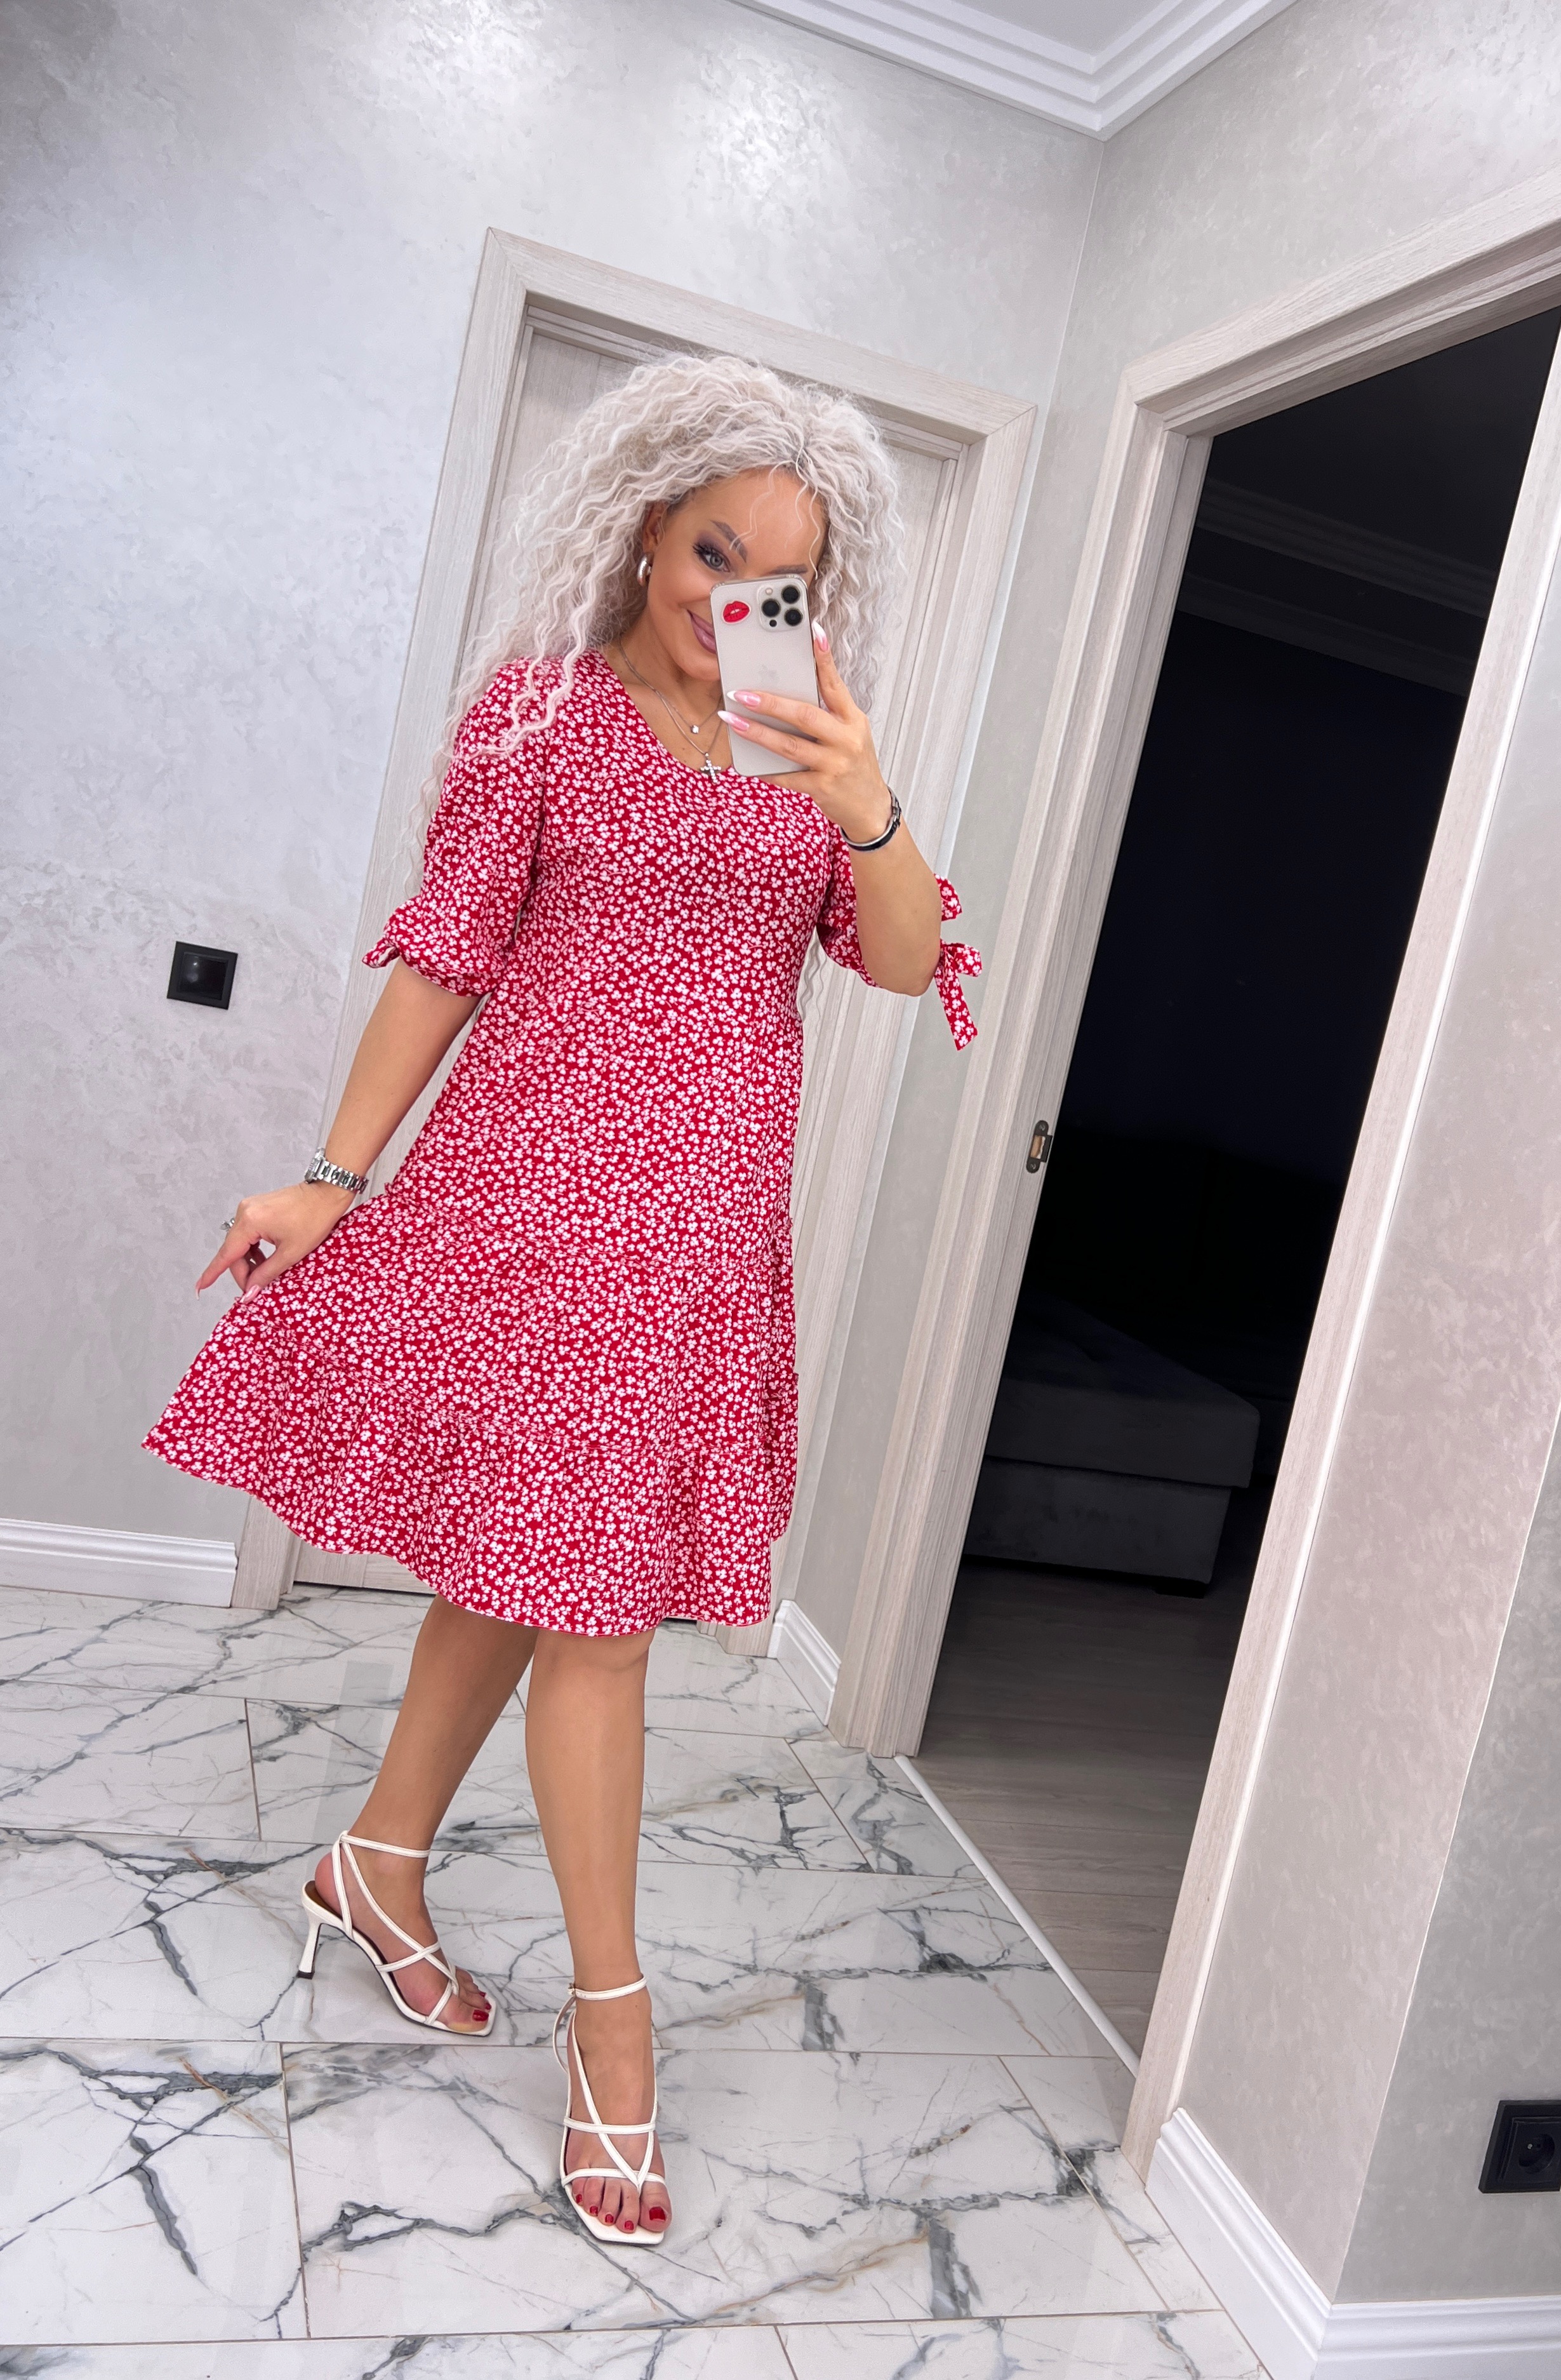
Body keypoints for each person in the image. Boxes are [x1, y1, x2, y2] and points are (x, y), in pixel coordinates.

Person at [145, 352, 979, 2247]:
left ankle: (377, 1862)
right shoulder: (540, 715)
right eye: (712, 553)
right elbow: (444, 958)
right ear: (646, 528)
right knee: (589, 1622)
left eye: (777, 575)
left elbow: (900, 958)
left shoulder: (799, 741)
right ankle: (619, 2025)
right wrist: (331, 1174)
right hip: (530, 1222)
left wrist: (866, 798)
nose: (730, 598)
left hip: (695, 1255)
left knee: (527, 1580)